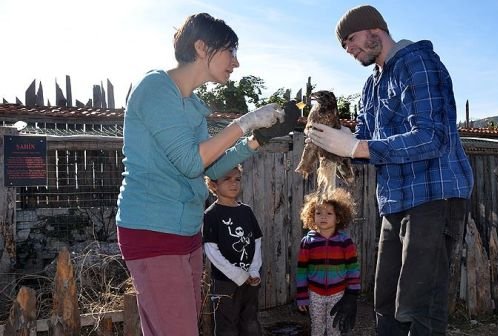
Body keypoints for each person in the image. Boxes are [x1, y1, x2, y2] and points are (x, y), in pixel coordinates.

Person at [116, 13, 297, 336]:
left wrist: (257, 139)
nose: (236, 63)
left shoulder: (193, 105)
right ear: (202, 47)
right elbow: (189, 162)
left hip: (185, 232)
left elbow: (210, 168)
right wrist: (244, 122)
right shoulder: (156, 88)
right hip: (153, 229)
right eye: (231, 51)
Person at [307, 5, 474, 335]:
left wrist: (356, 147)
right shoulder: (370, 88)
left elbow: (433, 137)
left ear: (374, 30)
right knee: (385, 305)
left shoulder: (419, 63)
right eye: (343, 46)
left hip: (434, 197)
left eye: (351, 40)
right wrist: (331, 142)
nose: (349, 49)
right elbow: (365, 145)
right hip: (395, 202)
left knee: (420, 305)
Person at [203, 166, 263, 335]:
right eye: (227, 179)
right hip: (225, 283)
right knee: (226, 326)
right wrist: (237, 274)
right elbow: (211, 250)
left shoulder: (246, 211)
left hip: (250, 280)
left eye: (237, 179)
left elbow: (257, 241)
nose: (233, 183)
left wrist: (253, 270)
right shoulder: (211, 215)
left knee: (250, 322)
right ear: (214, 185)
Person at [295, 188, 361, 336]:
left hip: (338, 294)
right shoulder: (308, 242)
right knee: (317, 329)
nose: (323, 217)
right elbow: (301, 271)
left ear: (338, 218)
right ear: (312, 216)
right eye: (318, 213)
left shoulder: (345, 242)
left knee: (334, 329)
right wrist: (301, 296)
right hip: (315, 294)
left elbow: (353, 269)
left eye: (329, 213)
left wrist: (352, 293)